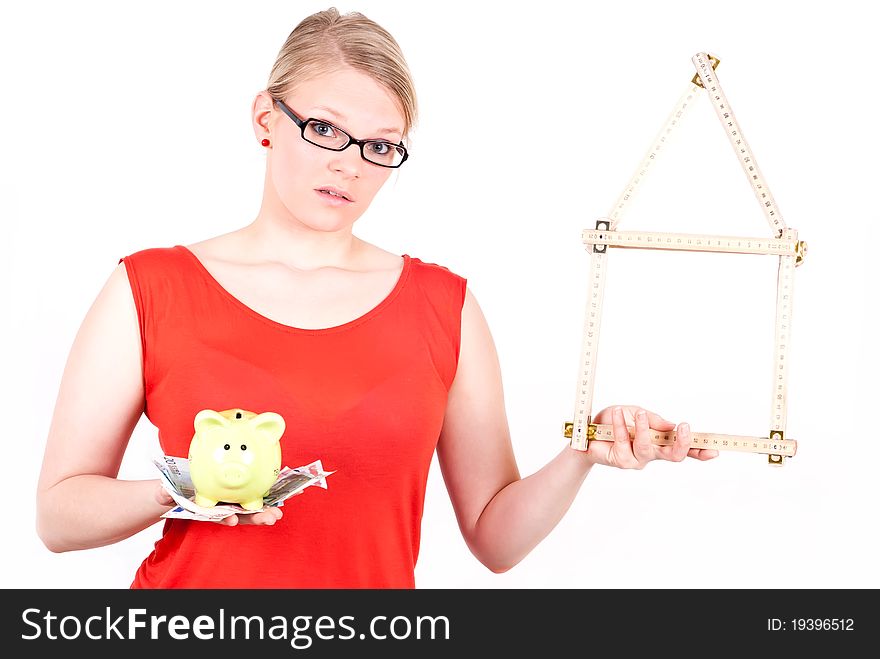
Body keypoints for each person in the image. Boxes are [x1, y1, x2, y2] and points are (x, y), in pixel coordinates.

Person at [35, 7, 718, 589]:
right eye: (325, 129)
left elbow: (494, 538)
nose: (349, 164)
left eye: (380, 146)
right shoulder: (149, 286)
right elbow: (58, 515)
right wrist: (183, 492)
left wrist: (583, 452)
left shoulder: (443, 307)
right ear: (265, 119)